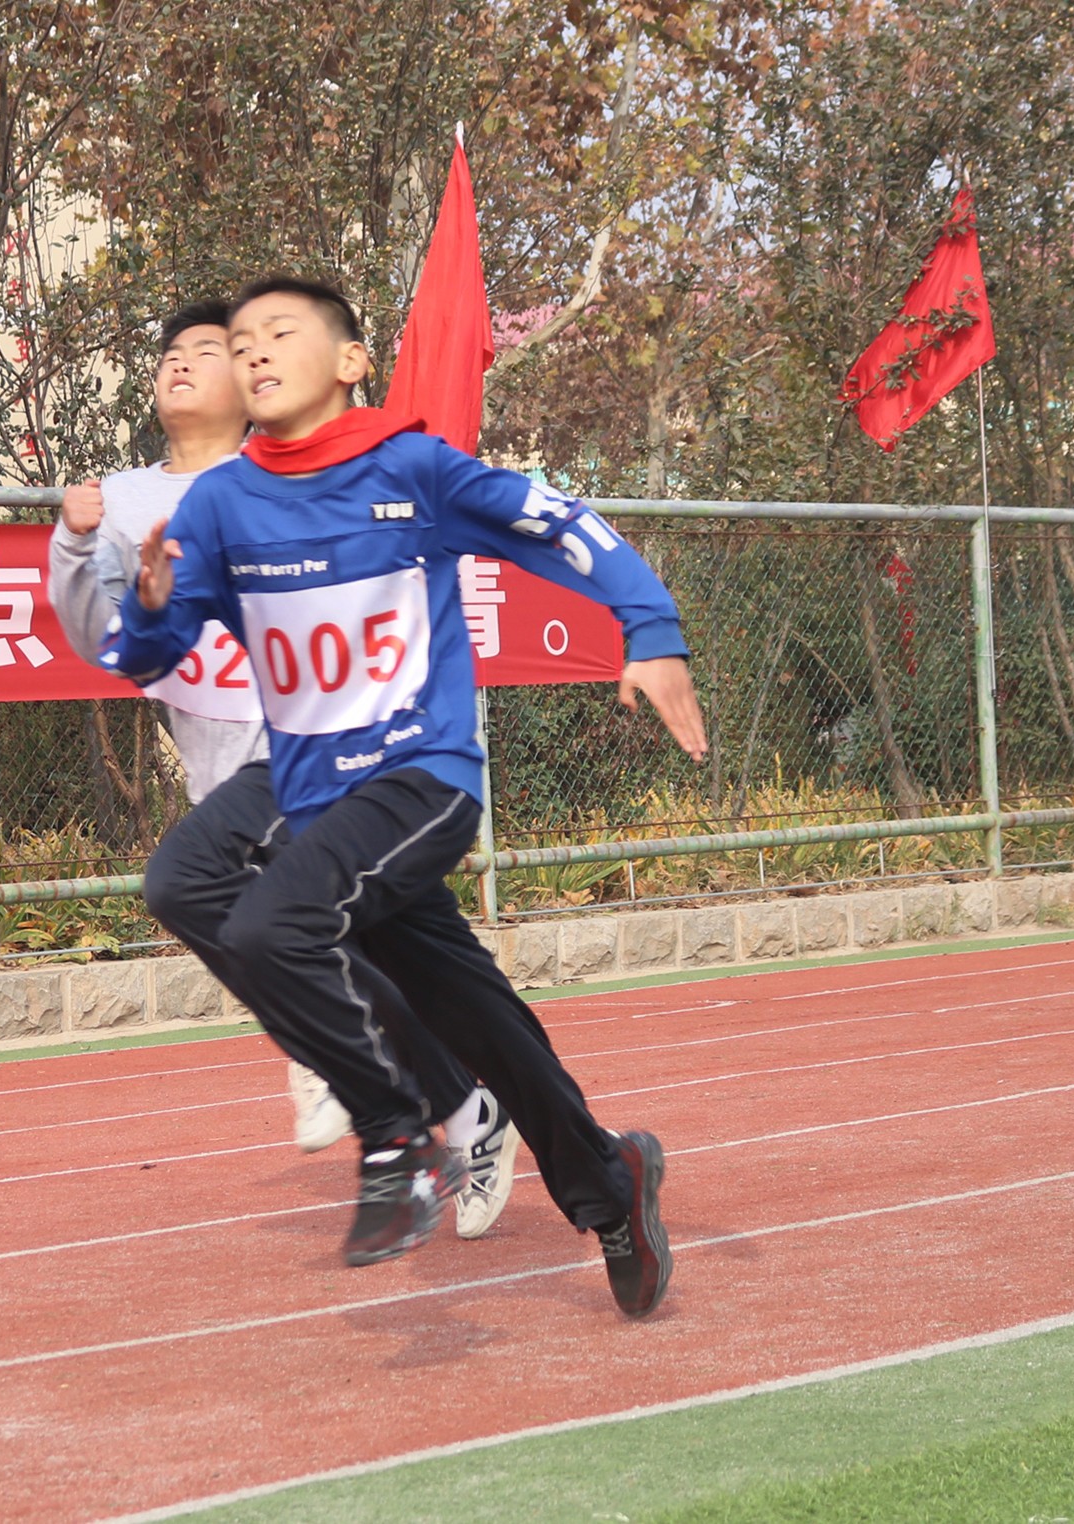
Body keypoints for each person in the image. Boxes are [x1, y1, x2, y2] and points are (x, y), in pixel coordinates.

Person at [104, 276, 706, 1317]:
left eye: (278, 335)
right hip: (312, 797)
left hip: (420, 776)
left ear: (348, 361)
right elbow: (146, 651)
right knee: (469, 1013)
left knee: (269, 924)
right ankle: (609, 1184)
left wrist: (647, 633)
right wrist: (151, 606)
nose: (252, 354)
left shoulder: (409, 467)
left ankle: (397, 1135)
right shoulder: (219, 503)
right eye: (238, 342)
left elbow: (562, 525)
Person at [47, 298, 520, 1238]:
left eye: (214, 351)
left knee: (272, 927)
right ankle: (463, 1108)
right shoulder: (126, 500)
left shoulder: (297, 477)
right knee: (352, 954)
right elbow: (103, 636)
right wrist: (72, 544)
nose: (187, 364)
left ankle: (386, 1095)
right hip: (221, 772)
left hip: (314, 755)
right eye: (172, 353)